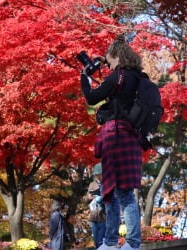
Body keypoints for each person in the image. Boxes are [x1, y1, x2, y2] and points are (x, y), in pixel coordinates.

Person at [80, 35, 143, 250]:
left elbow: (91, 97)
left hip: (116, 136)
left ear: (116, 56)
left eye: (108, 60)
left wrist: (84, 76)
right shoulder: (138, 77)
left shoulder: (118, 77)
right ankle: (114, 241)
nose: (107, 65)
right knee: (121, 192)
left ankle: (126, 243)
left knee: (119, 193)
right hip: (132, 137)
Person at [87, 163, 106, 248]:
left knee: (101, 238)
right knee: (96, 239)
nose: (98, 176)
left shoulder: (106, 184)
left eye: (99, 174)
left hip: (103, 215)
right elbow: (86, 198)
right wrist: (91, 197)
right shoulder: (92, 184)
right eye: (96, 175)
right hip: (93, 215)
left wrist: (102, 198)